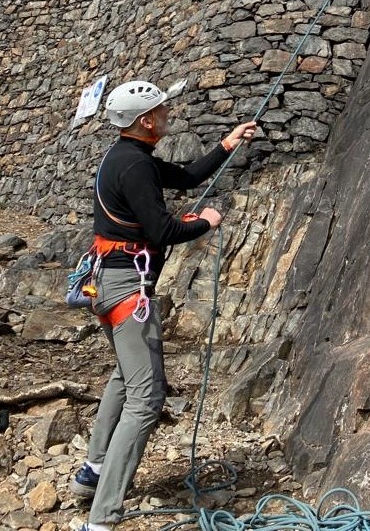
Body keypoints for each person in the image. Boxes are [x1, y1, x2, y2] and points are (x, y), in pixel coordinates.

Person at [70, 79, 258, 531]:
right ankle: (103, 516)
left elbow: (189, 176)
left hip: (111, 283)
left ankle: (93, 473)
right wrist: (205, 222)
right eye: (162, 111)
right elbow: (162, 231)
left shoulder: (130, 158)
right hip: (126, 289)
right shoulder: (134, 168)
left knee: (124, 376)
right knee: (147, 399)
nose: (168, 116)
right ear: (145, 120)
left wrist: (225, 145)